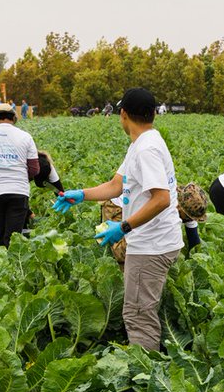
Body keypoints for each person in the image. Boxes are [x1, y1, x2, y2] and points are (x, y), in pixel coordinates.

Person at [53, 88, 182, 351]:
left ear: (123, 114)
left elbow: (161, 198)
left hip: (150, 245)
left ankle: (149, 380)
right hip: (154, 241)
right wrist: (81, 195)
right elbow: (116, 185)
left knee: (138, 315)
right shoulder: (143, 143)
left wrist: (123, 227)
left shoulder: (146, 148)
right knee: (140, 310)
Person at [0, 103, 39, 247]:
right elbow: (34, 169)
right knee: (14, 237)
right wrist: (20, 176)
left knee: (0, 234)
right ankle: (14, 265)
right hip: (19, 190)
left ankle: (1, 263)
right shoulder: (25, 137)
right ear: (13, 117)